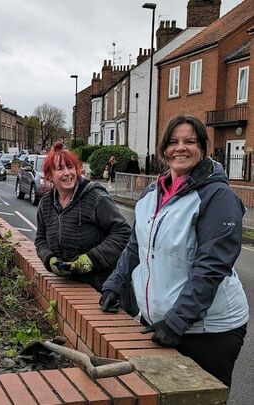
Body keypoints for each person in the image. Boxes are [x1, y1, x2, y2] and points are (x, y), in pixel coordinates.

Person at [100, 115, 249, 387]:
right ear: (164, 151)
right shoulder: (151, 194)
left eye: (189, 141)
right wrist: (114, 285)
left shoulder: (217, 196)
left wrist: (177, 320)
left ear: (203, 147)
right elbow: (136, 247)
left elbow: (211, 267)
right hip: (162, 322)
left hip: (210, 330)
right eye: (173, 142)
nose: (180, 147)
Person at [35, 142, 131, 292]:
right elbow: (40, 238)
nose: (67, 173)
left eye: (70, 167)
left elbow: (123, 231)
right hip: (70, 288)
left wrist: (92, 259)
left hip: (104, 287)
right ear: (49, 175)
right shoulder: (46, 204)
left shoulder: (95, 197)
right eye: (60, 169)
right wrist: (49, 259)